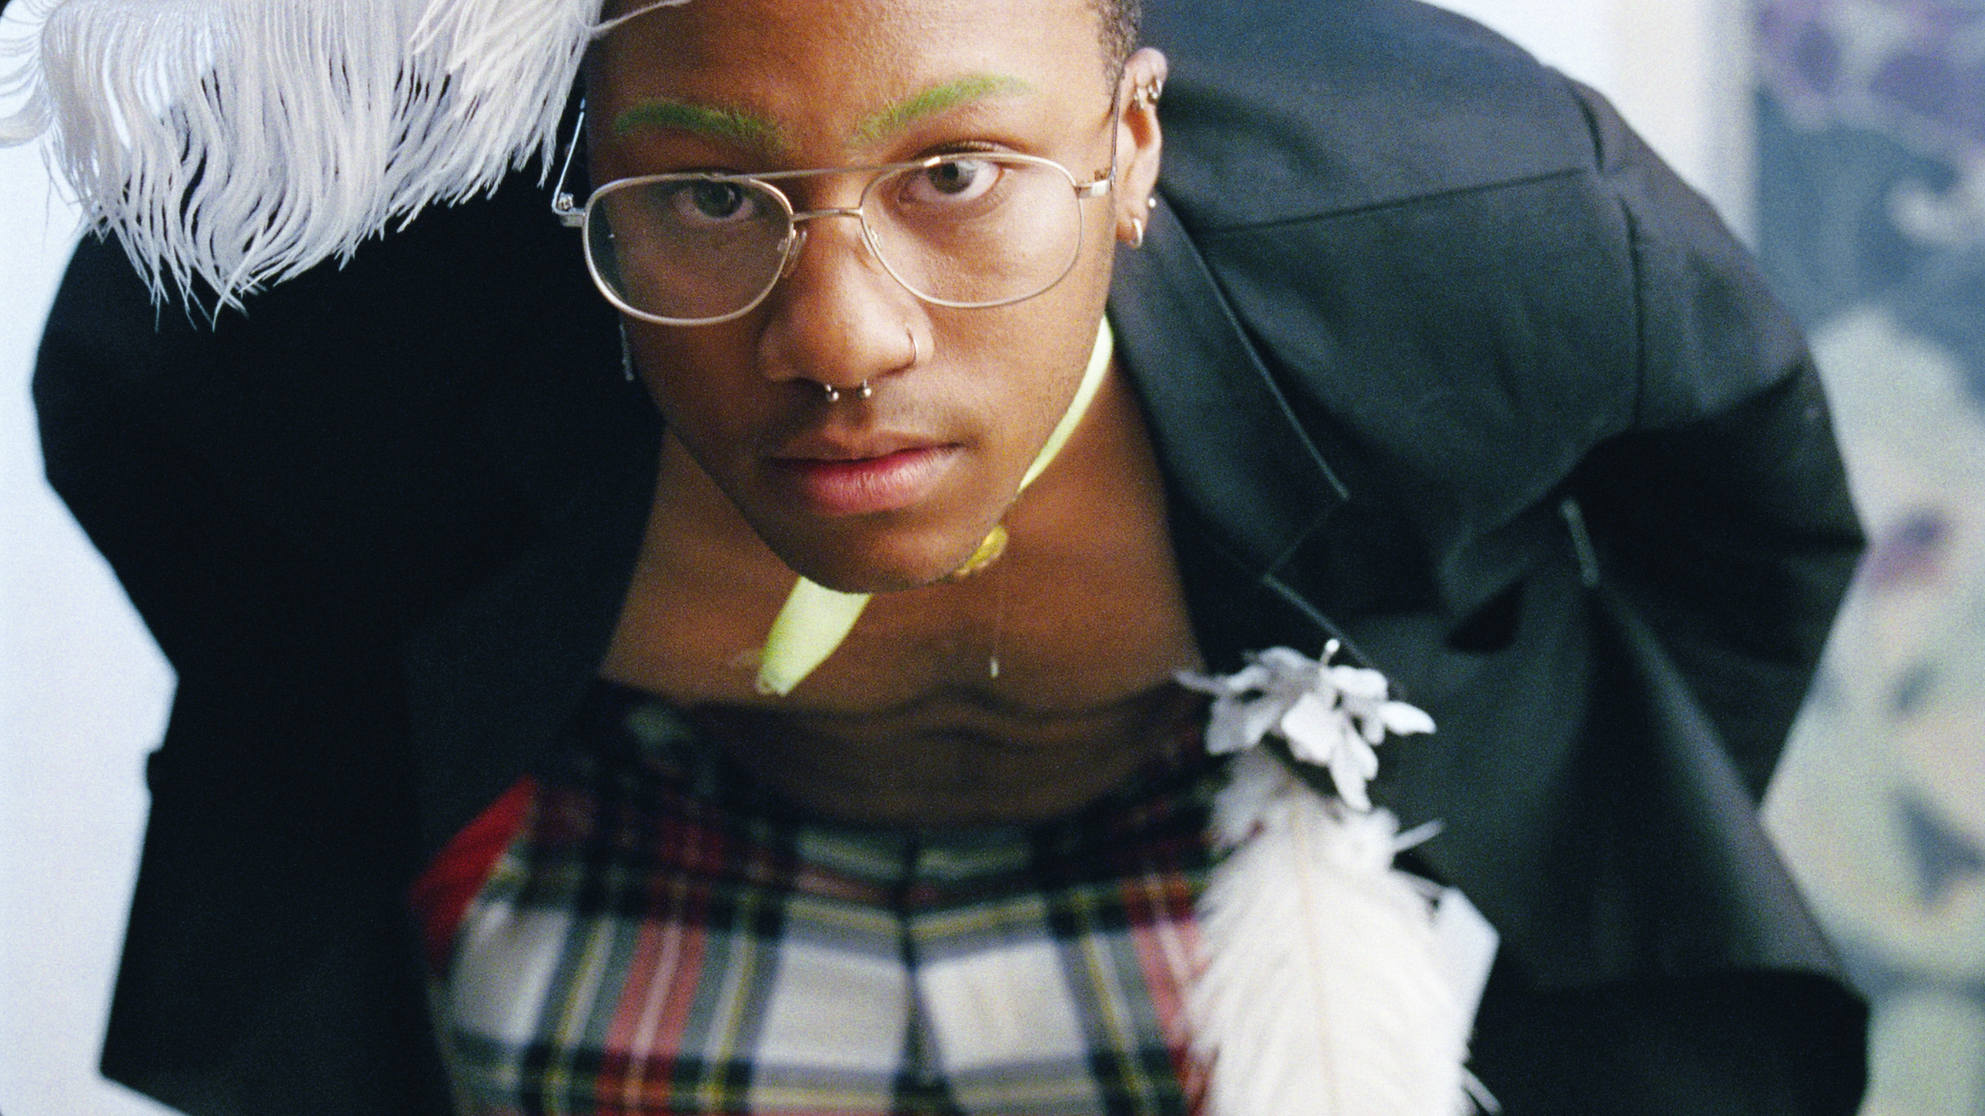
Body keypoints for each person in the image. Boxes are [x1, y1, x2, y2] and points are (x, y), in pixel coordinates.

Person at [13, 0, 1869, 1112]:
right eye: (710, 195)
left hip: (1198, 842)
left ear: (1129, 145)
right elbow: (124, 417)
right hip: (665, 822)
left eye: (955, 174)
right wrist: (397, 751)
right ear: (585, 178)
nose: (841, 338)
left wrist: (1568, 805)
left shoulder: (1469, 220)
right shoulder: (363, 290)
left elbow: (1748, 512)